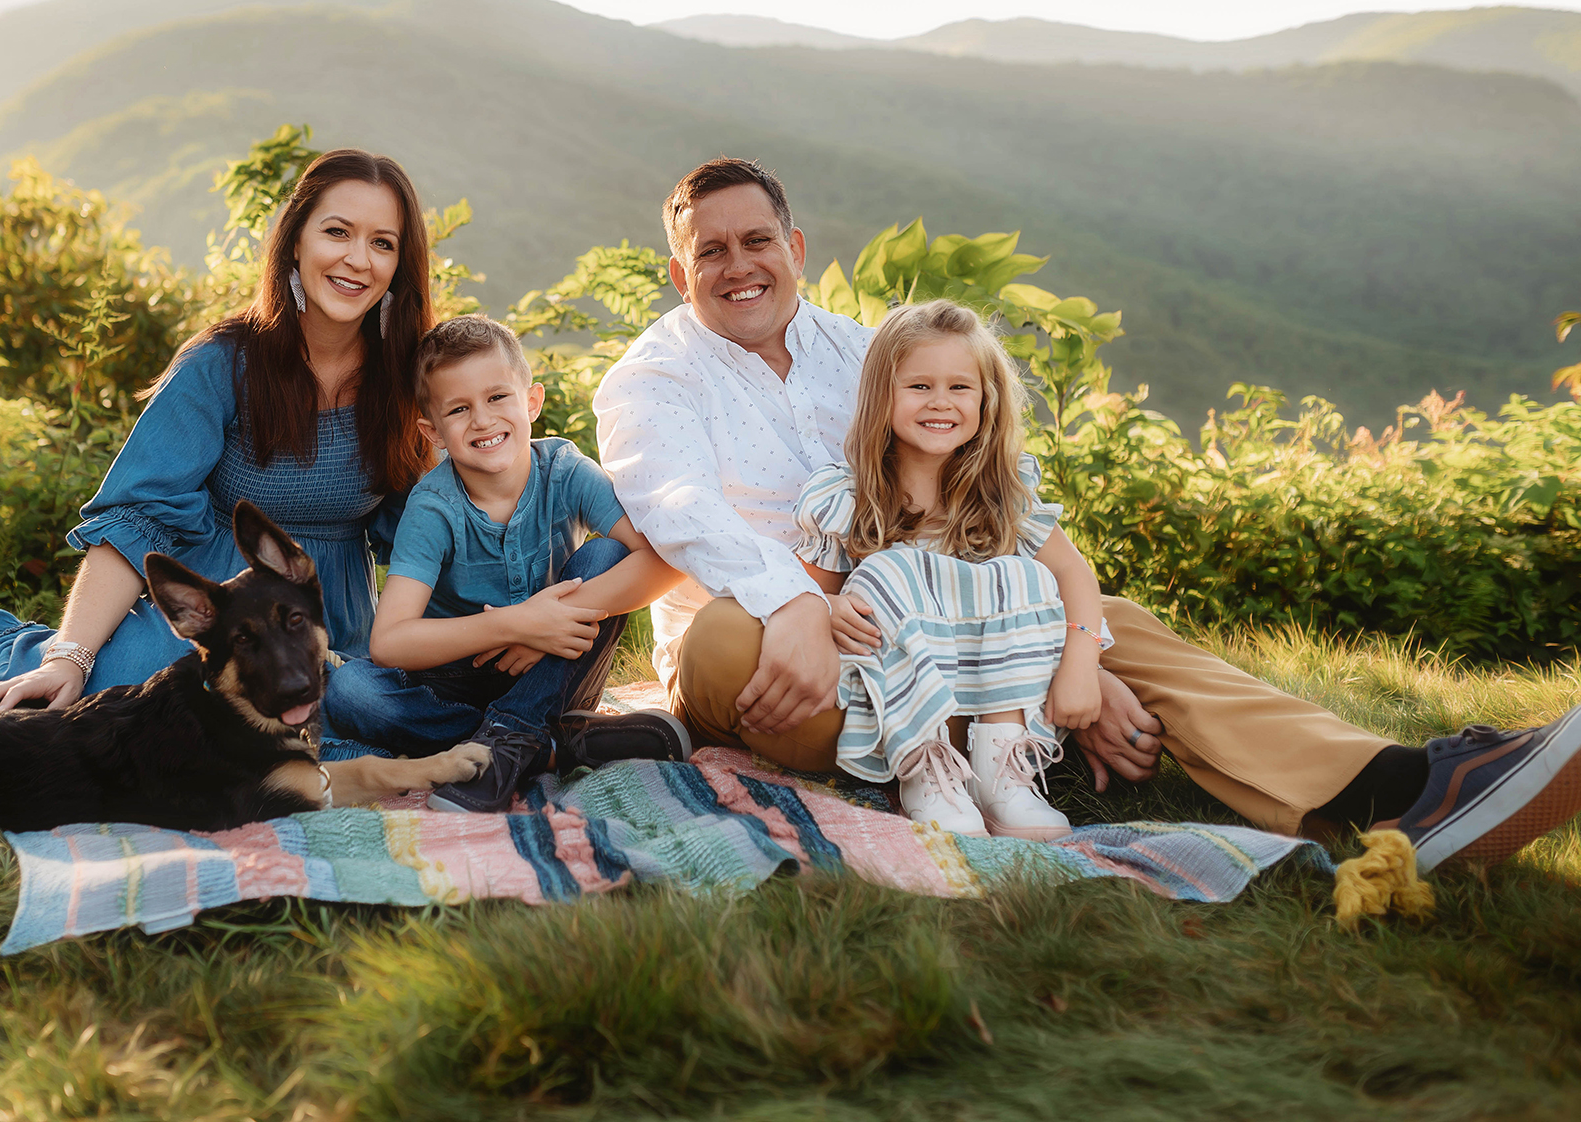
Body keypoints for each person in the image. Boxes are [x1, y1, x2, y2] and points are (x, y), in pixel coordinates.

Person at [593, 155, 1581, 870]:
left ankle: (1387, 790)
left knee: (1112, 622)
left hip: (925, 608)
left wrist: (1080, 652)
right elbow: (681, 513)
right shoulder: (651, 379)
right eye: (708, 251)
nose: (737, 264)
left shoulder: (866, 350)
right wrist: (799, 606)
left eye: (755, 238)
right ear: (681, 275)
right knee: (735, 629)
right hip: (766, 646)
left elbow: (977, 488)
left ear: (794, 246)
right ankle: (985, 731)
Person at [0, 149, 438, 741]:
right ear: (296, 241)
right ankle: (12, 653)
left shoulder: (407, 382)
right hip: (214, 603)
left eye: (382, 243)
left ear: (400, 263)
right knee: (127, 706)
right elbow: (139, 517)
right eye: (337, 232)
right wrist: (71, 657)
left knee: (335, 721)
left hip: (324, 610)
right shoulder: (223, 364)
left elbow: (431, 528)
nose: (357, 259)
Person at [323, 315, 687, 812]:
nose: (483, 420)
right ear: (433, 432)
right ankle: (550, 745)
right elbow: (389, 642)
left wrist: (549, 622)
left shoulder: (565, 470)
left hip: (557, 666)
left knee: (607, 553)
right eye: (459, 409)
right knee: (350, 690)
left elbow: (666, 560)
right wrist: (516, 623)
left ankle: (508, 739)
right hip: (456, 682)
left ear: (530, 402)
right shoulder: (433, 507)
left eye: (497, 397)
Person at [794, 300, 1105, 839]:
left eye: (960, 388)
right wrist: (829, 604)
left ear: (987, 400)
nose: (941, 403)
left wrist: (1082, 664)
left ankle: (1001, 777)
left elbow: (1076, 576)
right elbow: (807, 591)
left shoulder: (1002, 495)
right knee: (889, 572)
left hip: (990, 686)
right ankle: (926, 773)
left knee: (1025, 575)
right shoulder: (849, 497)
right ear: (881, 396)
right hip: (897, 686)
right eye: (919, 387)